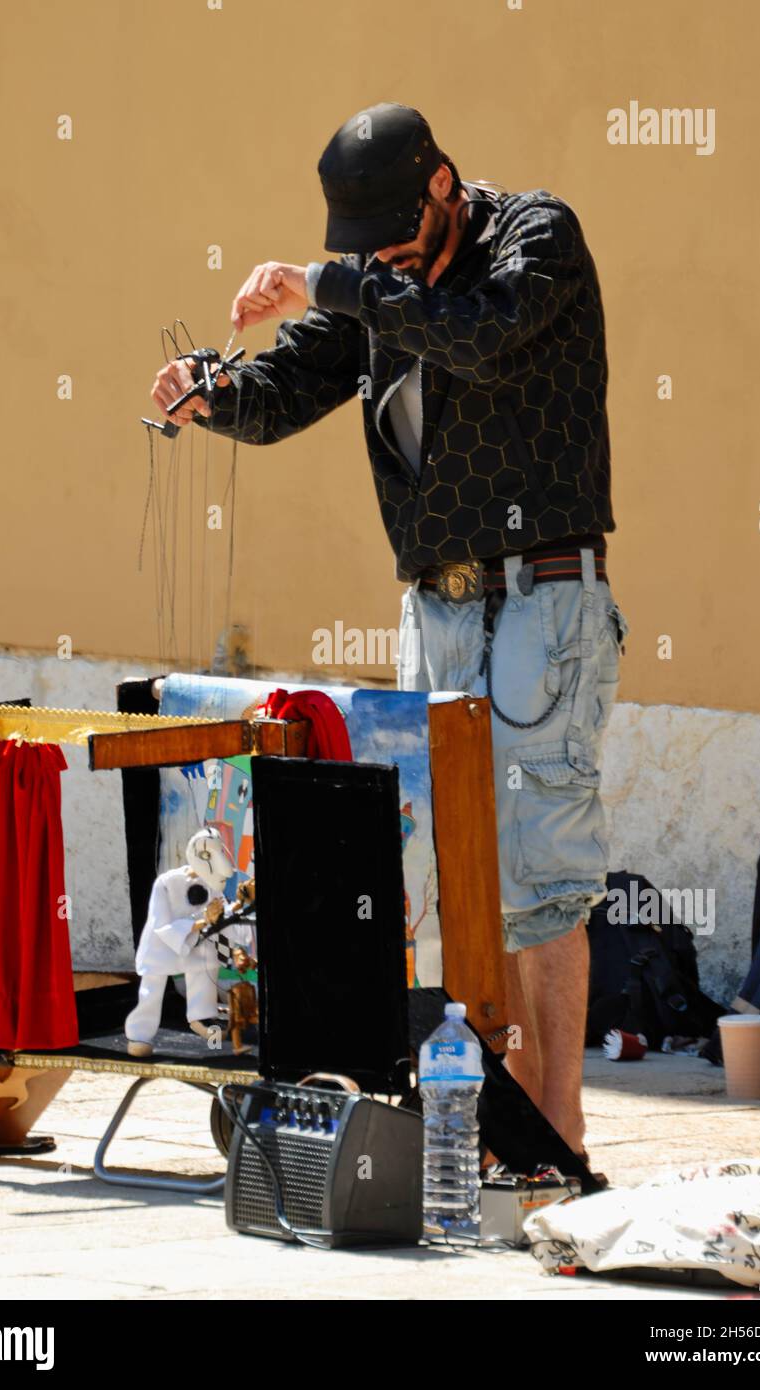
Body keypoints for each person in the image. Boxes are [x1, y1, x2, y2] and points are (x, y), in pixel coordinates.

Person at [150, 103, 628, 1160]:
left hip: (539, 598)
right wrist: (209, 393)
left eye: (398, 249)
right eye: (366, 259)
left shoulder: (535, 239)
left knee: (541, 875)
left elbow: (486, 337)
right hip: (436, 606)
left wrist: (331, 283)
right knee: (452, 871)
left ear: (444, 186)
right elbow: (289, 389)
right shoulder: (377, 284)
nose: (386, 271)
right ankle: (492, 1133)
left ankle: (559, 1142)